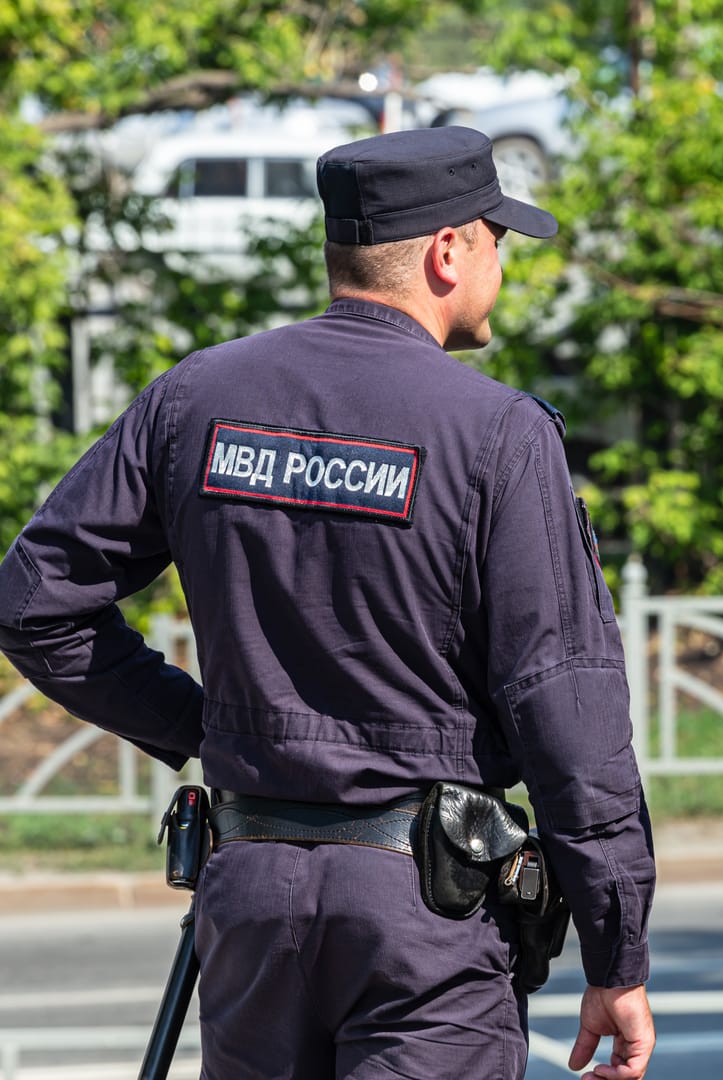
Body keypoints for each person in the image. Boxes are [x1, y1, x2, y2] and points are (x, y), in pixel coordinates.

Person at [0, 126, 655, 1080]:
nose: (501, 267)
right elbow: (568, 712)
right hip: (424, 923)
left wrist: (203, 726)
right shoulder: (498, 434)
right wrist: (617, 949)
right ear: (446, 252)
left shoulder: (197, 398)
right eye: (497, 242)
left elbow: (33, 602)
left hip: (250, 902)